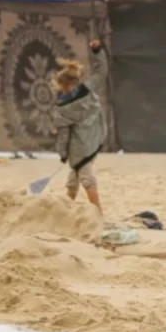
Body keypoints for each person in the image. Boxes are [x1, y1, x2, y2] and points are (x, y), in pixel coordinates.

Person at [51, 57, 107, 214]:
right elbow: (101, 72)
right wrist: (97, 52)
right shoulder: (89, 90)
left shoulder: (63, 108)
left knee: (87, 179)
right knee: (74, 176)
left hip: (79, 148)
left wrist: (62, 153)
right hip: (95, 141)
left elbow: (64, 134)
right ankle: (67, 207)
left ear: (65, 86)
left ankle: (98, 213)